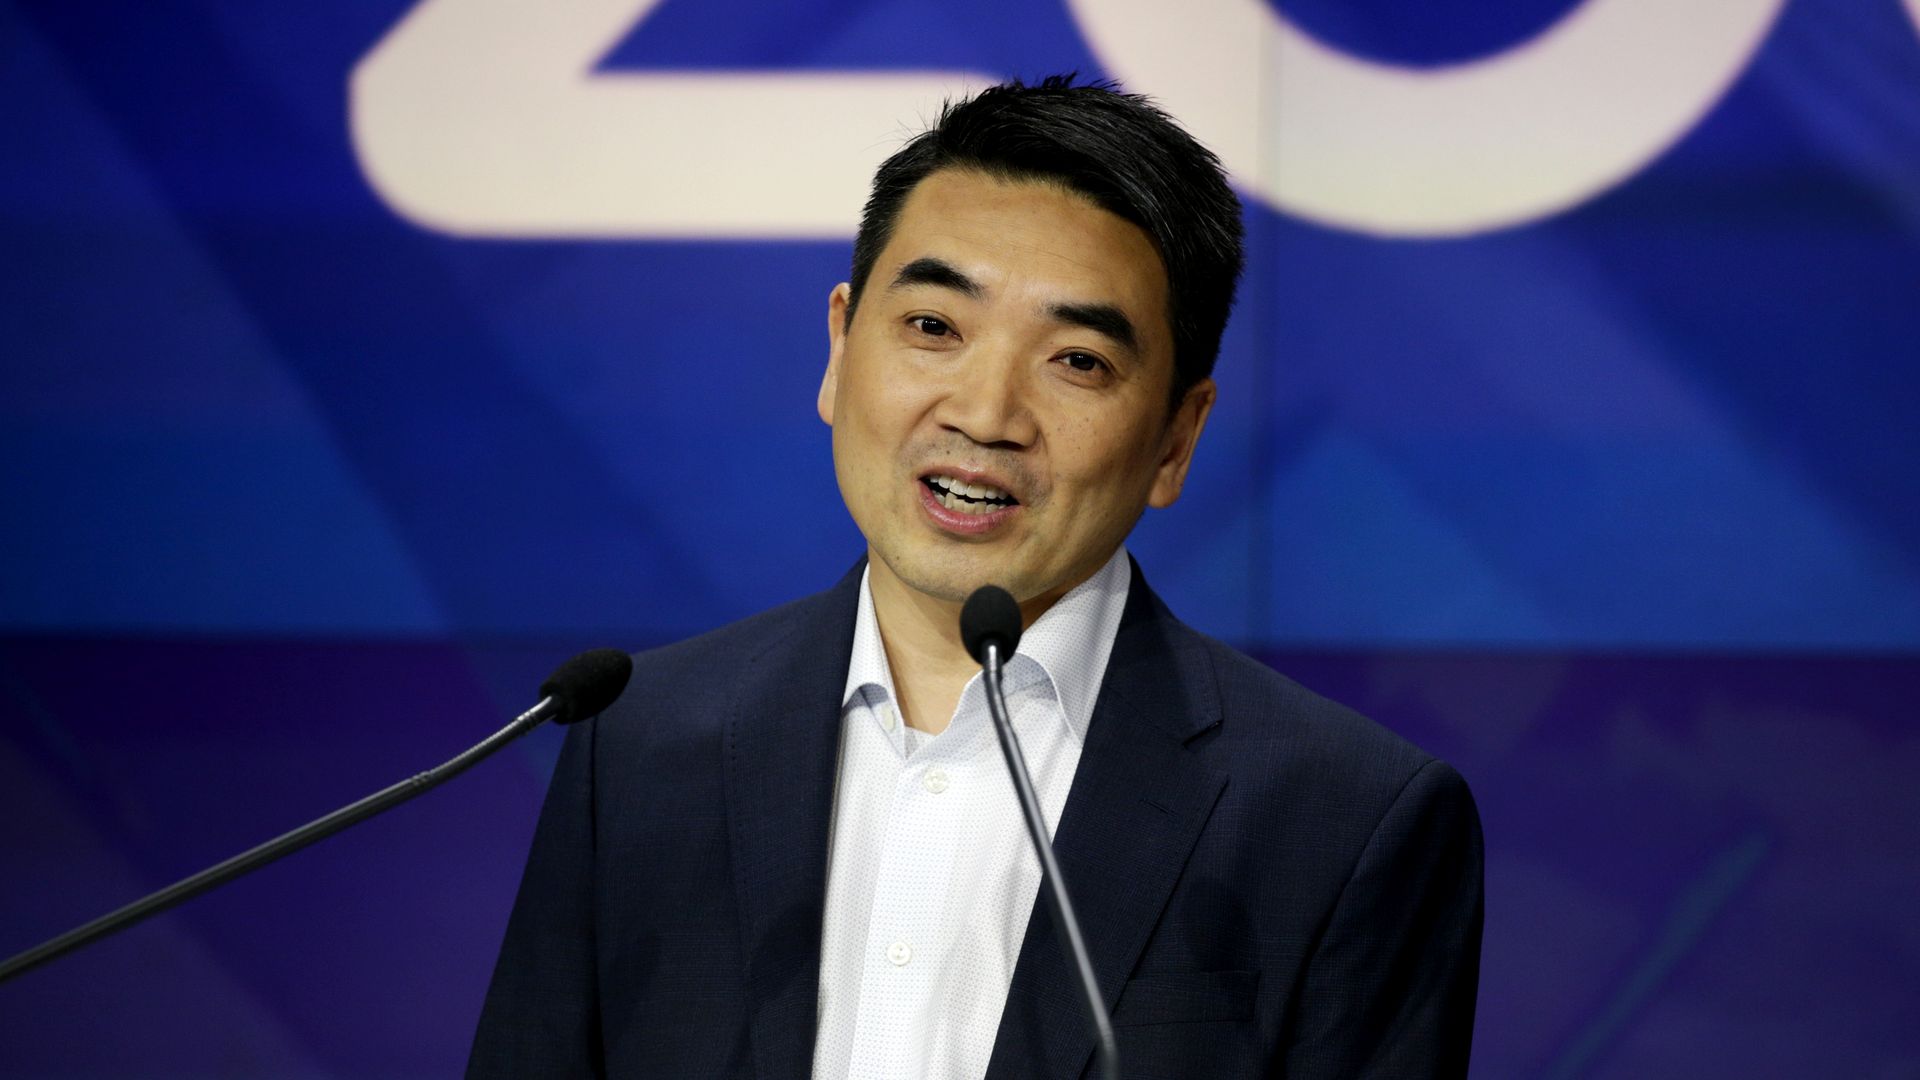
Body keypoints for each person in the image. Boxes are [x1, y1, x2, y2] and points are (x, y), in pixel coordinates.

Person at [468, 76, 1483, 1079]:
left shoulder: (1344, 822)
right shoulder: (641, 747)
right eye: (933, 329)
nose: (985, 413)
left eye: (1077, 360)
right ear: (838, 346)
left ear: (1177, 435)